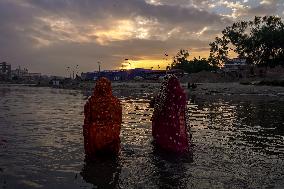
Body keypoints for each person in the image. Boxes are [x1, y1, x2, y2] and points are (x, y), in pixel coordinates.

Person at [83, 77, 122, 158]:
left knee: (92, 164)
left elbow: (87, 122)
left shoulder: (91, 102)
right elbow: (118, 121)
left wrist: (87, 141)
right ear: (109, 87)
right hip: (111, 136)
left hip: (94, 138)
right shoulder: (116, 102)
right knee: (112, 162)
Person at [151, 74, 190, 153]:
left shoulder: (161, 95)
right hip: (174, 121)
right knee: (173, 137)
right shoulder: (180, 94)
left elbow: (155, 109)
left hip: (162, 124)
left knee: (161, 143)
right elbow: (182, 109)